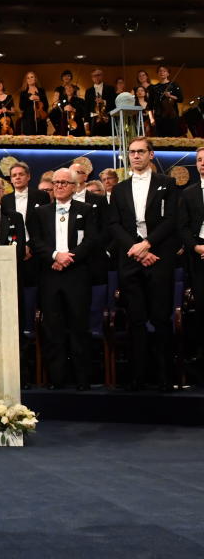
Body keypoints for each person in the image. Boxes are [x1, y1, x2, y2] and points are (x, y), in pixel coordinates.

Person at [108, 138, 180, 390]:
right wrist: (137, 249)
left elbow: (172, 220)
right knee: (135, 320)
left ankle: (164, 377)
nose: (136, 156)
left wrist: (147, 244)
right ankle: (137, 377)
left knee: (161, 318)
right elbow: (114, 224)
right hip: (130, 260)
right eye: (132, 152)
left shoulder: (168, 184)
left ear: (151, 154)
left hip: (159, 257)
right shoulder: (119, 189)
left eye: (141, 152)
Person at [27, 168, 100, 390]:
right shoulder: (40, 212)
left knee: (79, 327)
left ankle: (82, 379)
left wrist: (69, 258)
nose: (59, 186)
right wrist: (54, 256)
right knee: (53, 329)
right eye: (56, 182)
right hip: (50, 274)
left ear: (74, 186)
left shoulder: (86, 210)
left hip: (77, 275)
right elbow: (37, 241)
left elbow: (91, 240)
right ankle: (57, 379)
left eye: (64, 183)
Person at [178, 147, 204, 371]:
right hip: (198, 258)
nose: (202, 163)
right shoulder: (188, 193)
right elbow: (182, 227)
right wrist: (195, 247)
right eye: (199, 160)